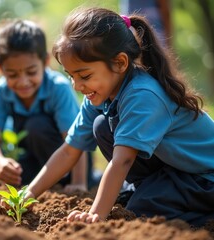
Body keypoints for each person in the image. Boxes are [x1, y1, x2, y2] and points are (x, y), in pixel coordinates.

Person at [25, 7, 214, 227]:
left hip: (204, 178)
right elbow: (69, 151)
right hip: (173, 171)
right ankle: (147, 191)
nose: (77, 86)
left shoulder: (142, 95)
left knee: (140, 211)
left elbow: (122, 160)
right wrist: (29, 192)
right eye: (71, 76)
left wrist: (95, 215)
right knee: (102, 126)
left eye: (84, 75)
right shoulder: (99, 93)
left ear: (120, 63)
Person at [0, 19, 90, 189]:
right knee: (18, 175)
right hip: (34, 159)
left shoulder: (57, 87)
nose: (23, 82)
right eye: (12, 74)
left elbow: (75, 139)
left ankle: (70, 180)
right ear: (0, 68)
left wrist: (79, 183)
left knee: (35, 125)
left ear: (45, 61)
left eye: (31, 72)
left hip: (74, 159)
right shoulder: (1, 91)